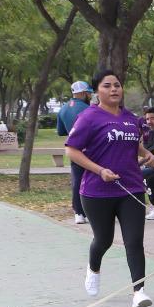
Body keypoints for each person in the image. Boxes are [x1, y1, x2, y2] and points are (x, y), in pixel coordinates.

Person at [64, 69, 153, 307]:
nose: (114, 89)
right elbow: (72, 150)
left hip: (131, 188)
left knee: (134, 241)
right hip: (96, 191)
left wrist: (148, 155)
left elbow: (135, 147)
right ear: (97, 91)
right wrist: (99, 170)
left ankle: (139, 291)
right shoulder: (89, 118)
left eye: (117, 85)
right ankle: (93, 268)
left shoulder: (131, 119)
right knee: (103, 240)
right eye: (107, 86)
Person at [56, 80, 93, 224]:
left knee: (77, 180)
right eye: (89, 93)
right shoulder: (89, 109)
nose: (90, 95)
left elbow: (60, 131)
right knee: (93, 179)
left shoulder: (63, 109)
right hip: (91, 149)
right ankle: (92, 211)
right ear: (83, 93)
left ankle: (78, 213)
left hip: (74, 149)